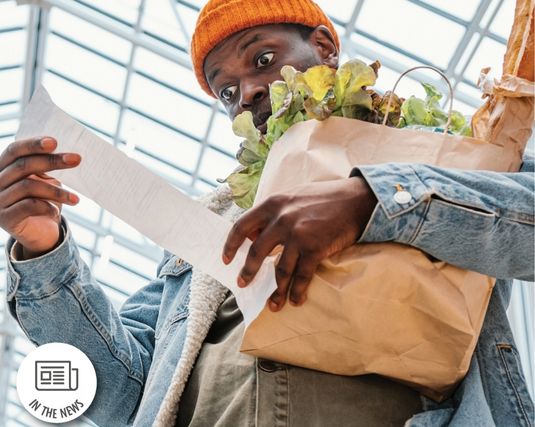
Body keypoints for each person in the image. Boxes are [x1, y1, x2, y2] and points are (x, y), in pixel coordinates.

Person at [2, 0, 534, 426]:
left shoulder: (435, 156)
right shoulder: (210, 217)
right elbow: (124, 396)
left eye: (262, 59)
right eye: (226, 91)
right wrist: (43, 250)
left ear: (324, 47)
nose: (248, 92)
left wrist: (374, 199)